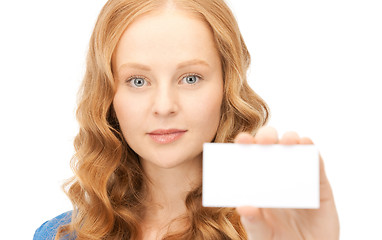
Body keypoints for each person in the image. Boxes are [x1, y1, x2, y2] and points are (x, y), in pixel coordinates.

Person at [34, 0, 340, 239]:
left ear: (226, 85)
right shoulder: (60, 236)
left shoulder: (271, 230)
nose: (164, 106)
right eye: (138, 81)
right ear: (109, 94)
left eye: (190, 78)